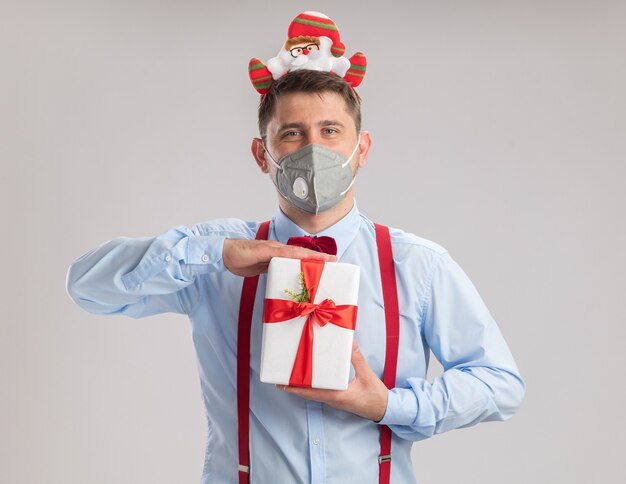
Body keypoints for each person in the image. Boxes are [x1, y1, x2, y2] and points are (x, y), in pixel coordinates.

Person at [67, 13, 524, 484]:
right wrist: (215, 254)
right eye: (292, 133)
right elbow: (86, 286)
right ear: (261, 154)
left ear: (361, 149)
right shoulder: (216, 255)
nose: (313, 148)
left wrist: (389, 404)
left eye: (330, 131)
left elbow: (499, 384)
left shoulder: (417, 265)